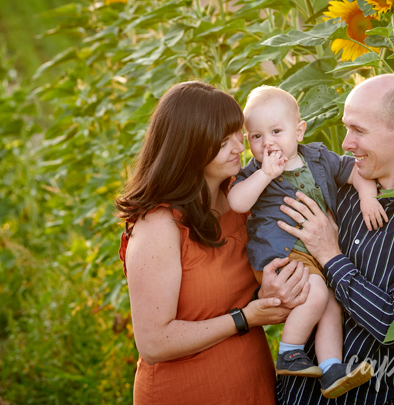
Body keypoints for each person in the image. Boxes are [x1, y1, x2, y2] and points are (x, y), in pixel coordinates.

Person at [114, 81, 310, 405]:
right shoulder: (159, 226)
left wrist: (274, 291)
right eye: (222, 140)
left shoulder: (243, 196)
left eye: (237, 133)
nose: (238, 146)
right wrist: (245, 318)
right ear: (189, 145)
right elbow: (153, 343)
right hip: (186, 392)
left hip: (253, 385)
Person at [273, 74, 394, 405]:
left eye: (359, 130)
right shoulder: (334, 189)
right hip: (293, 396)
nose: (345, 143)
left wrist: (331, 256)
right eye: (346, 128)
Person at [227, 86, 387, 399]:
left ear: (298, 131)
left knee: (330, 305)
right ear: (248, 142)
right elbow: (237, 201)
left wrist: (368, 197)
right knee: (315, 294)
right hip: (281, 256)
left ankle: (332, 369)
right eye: (256, 137)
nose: (267, 142)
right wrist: (265, 175)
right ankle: (289, 352)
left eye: (275, 131)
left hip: (313, 254)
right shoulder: (255, 172)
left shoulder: (317, 158)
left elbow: (353, 170)